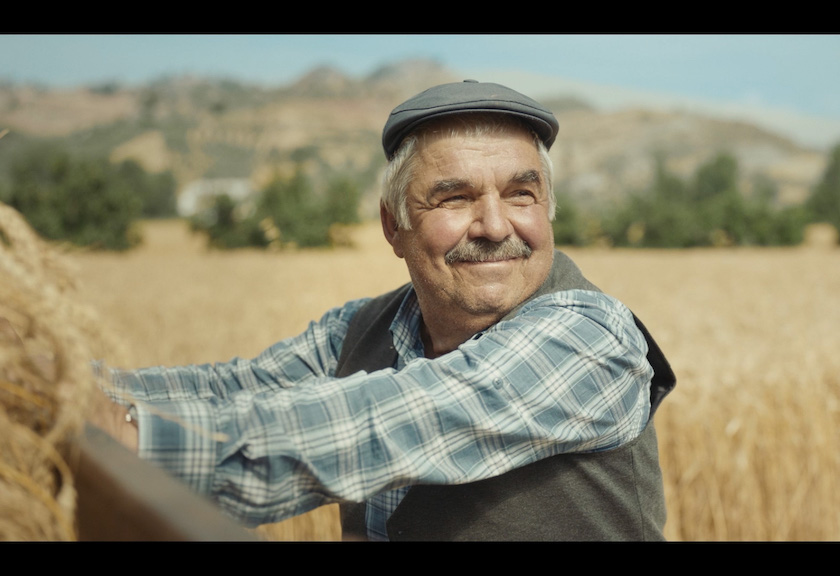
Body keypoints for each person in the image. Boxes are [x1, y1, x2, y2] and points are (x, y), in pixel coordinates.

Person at [94, 80, 676, 541]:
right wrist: (57, 387)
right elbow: (229, 388)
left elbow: (374, 426)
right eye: (454, 197)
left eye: (521, 194)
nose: (497, 226)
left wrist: (128, 439)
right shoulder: (360, 329)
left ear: (547, 209)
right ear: (393, 226)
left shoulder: (589, 340)